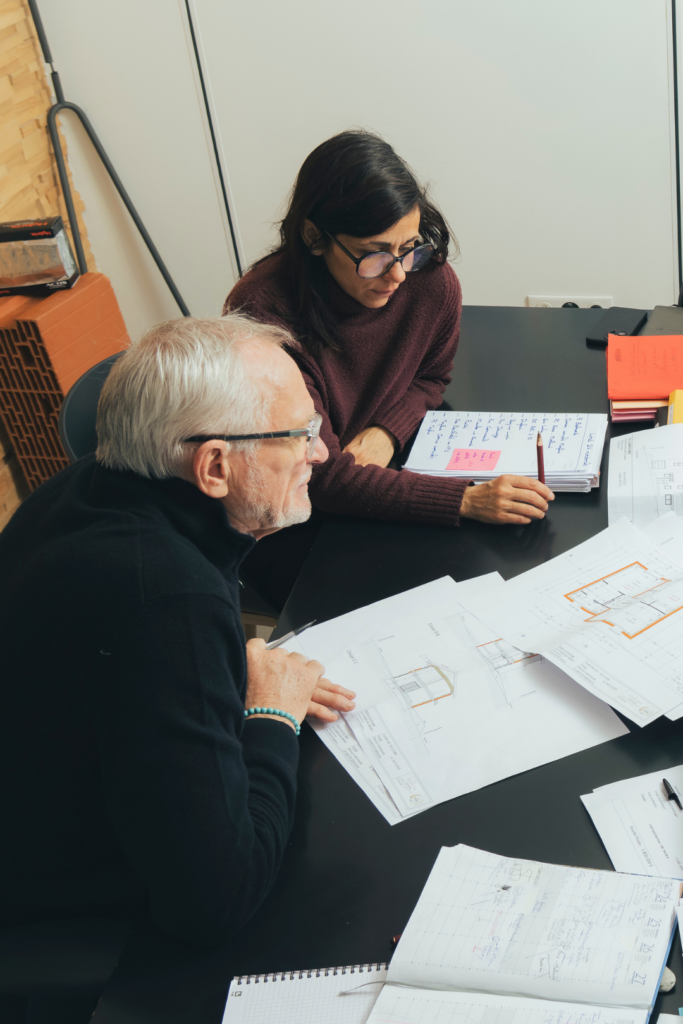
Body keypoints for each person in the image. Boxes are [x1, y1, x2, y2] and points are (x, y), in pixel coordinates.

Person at [0, 315, 356, 995]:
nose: (319, 455)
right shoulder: (163, 599)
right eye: (300, 435)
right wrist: (270, 715)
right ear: (215, 465)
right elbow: (215, 902)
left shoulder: (79, 491)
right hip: (58, 912)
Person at [225, 130, 553, 610]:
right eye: (375, 254)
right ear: (315, 237)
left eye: (409, 247)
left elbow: (431, 378)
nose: (398, 273)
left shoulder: (429, 282)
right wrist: (466, 500)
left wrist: (386, 431)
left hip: (377, 480)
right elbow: (320, 476)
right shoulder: (262, 316)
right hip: (293, 519)